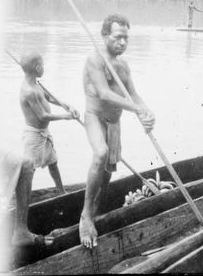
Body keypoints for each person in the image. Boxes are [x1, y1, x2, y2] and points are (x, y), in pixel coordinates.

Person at [79, 14, 155, 249]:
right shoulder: (95, 59)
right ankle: (85, 217)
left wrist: (146, 112)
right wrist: (135, 108)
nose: (122, 42)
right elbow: (103, 93)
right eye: (117, 37)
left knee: (109, 170)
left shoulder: (123, 65)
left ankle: (97, 210)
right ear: (104, 36)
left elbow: (133, 94)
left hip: (114, 122)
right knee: (100, 154)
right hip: (95, 117)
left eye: (126, 38)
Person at [12, 52, 80, 246]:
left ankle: (60, 191)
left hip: (44, 134)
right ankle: (23, 207)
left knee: (53, 162)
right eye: (41, 64)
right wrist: (66, 117)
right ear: (36, 67)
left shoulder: (37, 84)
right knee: (28, 173)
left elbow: (49, 97)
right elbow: (42, 116)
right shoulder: (28, 90)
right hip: (34, 135)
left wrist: (66, 105)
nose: (44, 67)